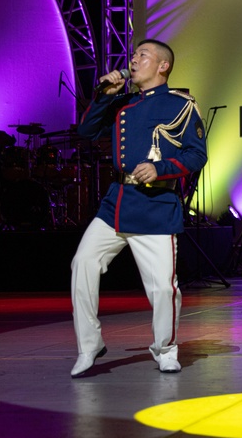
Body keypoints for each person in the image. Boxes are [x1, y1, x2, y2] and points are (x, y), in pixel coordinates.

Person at [70, 39, 208, 376]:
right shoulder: (123, 102)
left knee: (162, 287)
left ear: (163, 66)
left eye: (142, 56)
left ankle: (165, 348)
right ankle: (89, 346)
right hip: (116, 203)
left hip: (155, 205)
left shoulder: (181, 106)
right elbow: (86, 131)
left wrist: (161, 169)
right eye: (133, 56)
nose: (133, 61)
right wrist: (104, 94)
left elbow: (197, 154)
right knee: (82, 264)